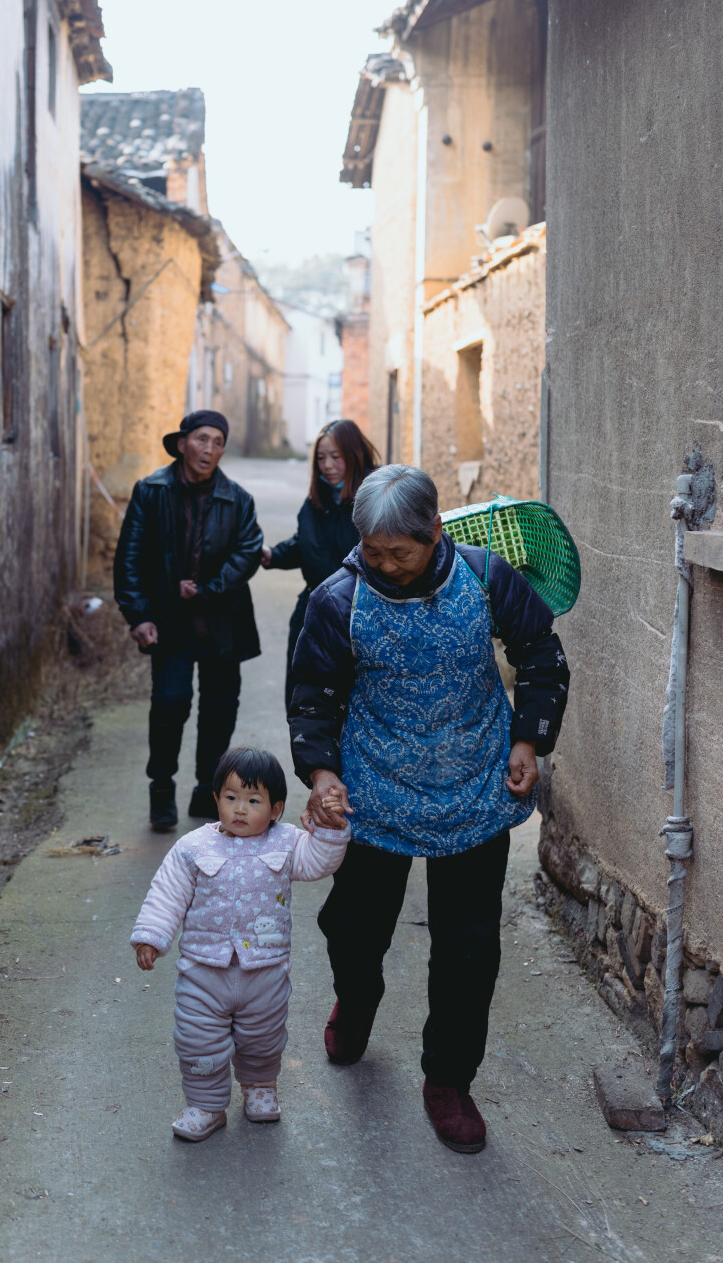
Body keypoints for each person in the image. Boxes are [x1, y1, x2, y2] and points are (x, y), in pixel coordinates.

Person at [288, 464, 570, 1155]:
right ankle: (357, 998)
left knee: (468, 948)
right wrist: (322, 774)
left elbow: (541, 655)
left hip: (475, 783)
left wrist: (528, 738)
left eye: (400, 553)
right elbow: (313, 696)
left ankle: (448, 1080)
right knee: (352, 927)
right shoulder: (337, 599)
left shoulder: (486, 576)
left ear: (435, 531)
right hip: (376, 786)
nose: (386, 565)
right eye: (374, 552)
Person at [131, 747, 350, 1141]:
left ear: (276, 808)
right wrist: (151, 936)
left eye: (253, 801)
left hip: (265, 971)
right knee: (198, 1041)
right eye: (230, 798)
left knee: (263, 1038)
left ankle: (261, 1087)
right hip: (203, 971)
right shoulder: (193, 848)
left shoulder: (286, 843)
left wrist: (331, 828)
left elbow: (320, 861)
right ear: (216, 799)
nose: (240, 810)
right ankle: (206, 1105)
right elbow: (167, 894)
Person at [114, 411, 263, 831]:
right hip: (170, 623)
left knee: (219, 710)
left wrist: (208, 589)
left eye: (218, 441)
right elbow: (130, 557)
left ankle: (207, 789)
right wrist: (137, 614)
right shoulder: (151, 491)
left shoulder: (237, 499)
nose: (210, 449)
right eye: (202, 439)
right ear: (182, 444)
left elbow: (248, 552)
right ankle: (161, 786)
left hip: (222, 624)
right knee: (169, 705)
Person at [260, 419, 379, 705]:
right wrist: (273, 555)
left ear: (355, 454)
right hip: (312, 614)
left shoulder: (378, 497)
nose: (327, 465)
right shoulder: (316, 501)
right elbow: (306, 545)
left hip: (361, 617)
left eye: (336, 457)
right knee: (307, 703)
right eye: (321, 458)